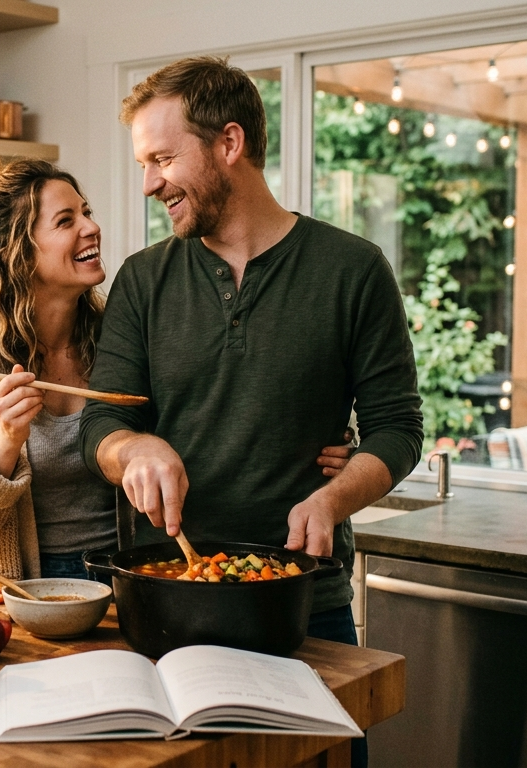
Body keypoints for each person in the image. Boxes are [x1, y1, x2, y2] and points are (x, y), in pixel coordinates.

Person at [80, 56, 423, 638]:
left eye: (163, 159)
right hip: (169, 593)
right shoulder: (142, 280)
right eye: (145, 164)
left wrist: (333, 501)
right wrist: (133, 450)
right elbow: (100, 423)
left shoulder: (353, 269)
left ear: (229, 143)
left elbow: (398, 428)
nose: (149, 184)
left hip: (306, 601)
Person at [0, 156, 354, 580]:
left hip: (130, 572)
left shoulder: (118, 331)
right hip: (22, 590)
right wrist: (3, 444)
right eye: (66, 221)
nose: (92, 227)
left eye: (85, 212)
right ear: (14, 251)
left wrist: (324, 439)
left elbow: (211, 405)